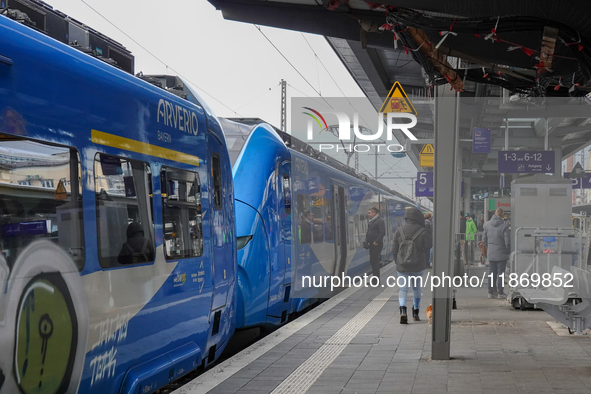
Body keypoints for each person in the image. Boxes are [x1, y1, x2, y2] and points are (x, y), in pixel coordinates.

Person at [392, 207, 432, 324]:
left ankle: (402, 311)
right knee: (416, 288)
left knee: (403, 289)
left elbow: (394, 249)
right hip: (418, 265)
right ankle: (415, 313)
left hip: (402, 266)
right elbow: (428, 246)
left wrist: (397, 261)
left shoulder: (400, 231)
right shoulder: (422, 230)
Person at [482, 208, 511, 298]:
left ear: (494, 214)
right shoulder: (504, 226)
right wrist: (507, 251)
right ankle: (500, 293)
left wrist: (489, 247)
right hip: (501, 253)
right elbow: (507, 242)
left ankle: (490, 293)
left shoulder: (487, 225)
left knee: (491, 273)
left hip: (491, 253)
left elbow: (484, 239)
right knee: (501, 274)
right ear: (502, 215)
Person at [366, 207, 386, 279]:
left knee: (374, 262)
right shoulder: (372, 221)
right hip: (372, 244)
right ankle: (375, 279)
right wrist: (366, 241)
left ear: (374, 213)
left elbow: (383, 232)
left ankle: (376, 280)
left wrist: (376, 241)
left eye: (369, 213)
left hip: (376, 245)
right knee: (373, 261)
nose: (368, 215)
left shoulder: (379, 221)